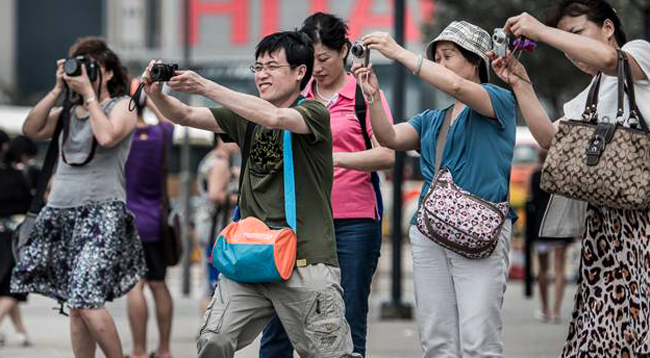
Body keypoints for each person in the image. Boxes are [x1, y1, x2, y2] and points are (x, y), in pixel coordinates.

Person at [143, 30, 361, 358]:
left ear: (300, 72)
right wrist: (155, 93)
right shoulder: (245, 115)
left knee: (328, 353)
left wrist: (204, 86)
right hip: (250, 254)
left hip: (305, 258)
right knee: (213, 342)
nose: (262, 75)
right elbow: (184, 115)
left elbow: (275, 117)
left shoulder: (315, 112)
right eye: (257, 67)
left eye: (272, 66)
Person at [490, 0, 650, 356]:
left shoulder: (638, 53)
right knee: (604, 335)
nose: (568, 48)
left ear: (608, 28)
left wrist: (541, 32)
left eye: (574, 35)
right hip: (606, 233)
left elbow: (612, 61)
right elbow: (550, 140)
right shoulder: (586, 98)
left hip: (645, 225)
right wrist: (520, 82)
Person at [352, 21, 517, 357]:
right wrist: (371, 96)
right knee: (436, 338)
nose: (440, 65)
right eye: (436, 58)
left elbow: (456, 86)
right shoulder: (431, 118)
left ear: (475, 62)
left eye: (448, 56)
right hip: (430, 232)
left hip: (481, 232)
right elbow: (390, 138)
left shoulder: (497, 100)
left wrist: (399, 53)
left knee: (479, 338)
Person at [259, 13, 394, 358]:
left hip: (354, 223)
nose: (317, 68)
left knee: (347, 318)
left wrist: (334, 159)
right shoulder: (295, 98)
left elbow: (388, 154)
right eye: (311, 60)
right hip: (296, 224)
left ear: (345, 50)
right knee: (280, 320)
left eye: (324, 59)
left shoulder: (363, 95)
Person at [11, 37, 146, 358]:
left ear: (109, 73)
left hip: (101, 214)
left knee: (86, 300)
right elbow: (31, 129)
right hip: (60, 214)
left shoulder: (123, 107)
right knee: (75, 305)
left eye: (91, 68)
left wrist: (89, 95)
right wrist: (58, 90)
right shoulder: (68, 113)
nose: (83, 74)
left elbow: (108, 136)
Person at [124, 80, 175, 358]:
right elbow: (168, 120)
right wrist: (149, 94)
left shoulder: (122, 138)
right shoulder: (161, 134)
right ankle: (165, 349)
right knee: (159, 284)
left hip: (129, 221)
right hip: (157, 220)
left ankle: (139, 351)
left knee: (136, 285)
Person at [526, 149, 574, 324]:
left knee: (543, 270)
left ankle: (545, 309)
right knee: (560, 268)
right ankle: (556, 311)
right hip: (560, 226)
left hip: (541, 228)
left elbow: (529, 199)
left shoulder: (535, 175)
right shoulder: (562, 174)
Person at [195, 136, 240, 316]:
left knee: (207, 279)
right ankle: (209, 327)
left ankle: (206, 326)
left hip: (206, 223)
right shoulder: (221, 163)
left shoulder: (210, 159)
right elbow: (215, 194)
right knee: (212, 281)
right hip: (216, 228)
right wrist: (241, 199)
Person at [0, 137, 35, 348]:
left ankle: (21, 331)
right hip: (17, 238)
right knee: (14, 288)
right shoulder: (29, 174)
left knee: (5, 286)